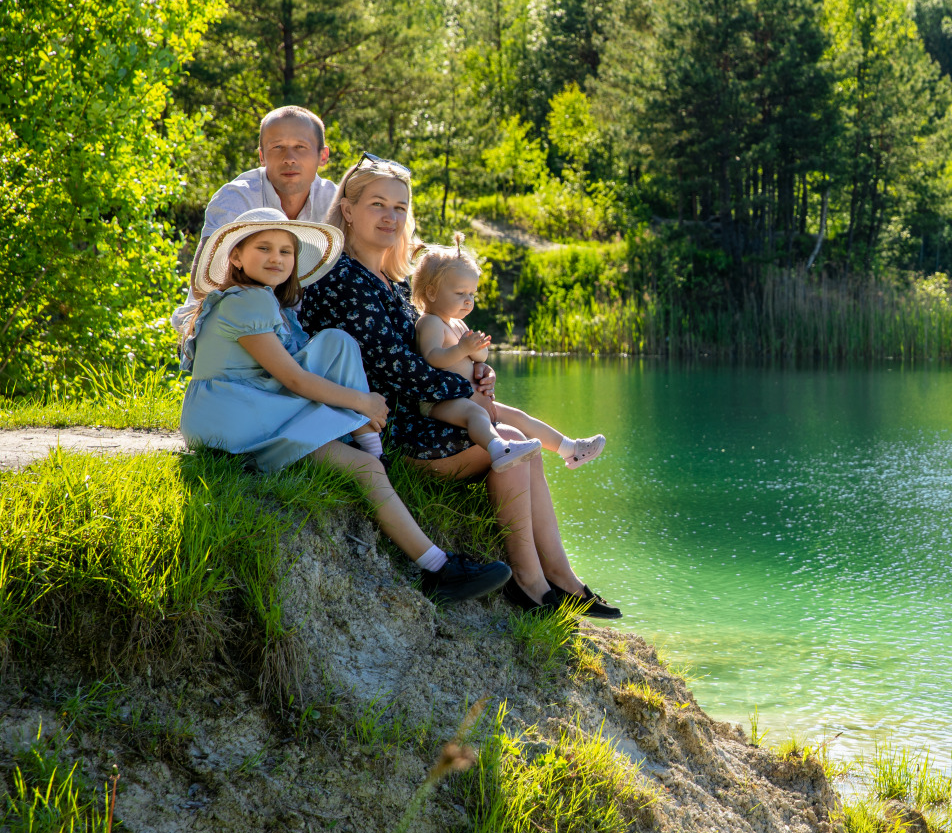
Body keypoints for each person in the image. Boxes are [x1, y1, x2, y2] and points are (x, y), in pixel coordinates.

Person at [297, 156, 622, 620]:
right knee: (513, 444)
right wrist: (464, 389)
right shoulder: (344, 278)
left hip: (416, 408)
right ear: (347, 210)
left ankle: (560, 581)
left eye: (400, 207)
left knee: (517, 444)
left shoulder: (389, 280)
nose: (391, 216)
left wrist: (477, 374)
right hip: (379, 422)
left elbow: (425, 354)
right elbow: (395, 368)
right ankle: (534, 586)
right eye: (377, 205)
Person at [177, 207, 512, 604]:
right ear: (235, 257)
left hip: (253, 403)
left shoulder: (264, 301)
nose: (276, 258)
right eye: (263, 248)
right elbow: (295, 380)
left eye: (286, 252)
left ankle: (371, 445)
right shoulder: (246, 303)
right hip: (233, 418)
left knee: (338, 341)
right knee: (364, 470)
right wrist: (364, 400)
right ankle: (438, 567)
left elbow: (303, 367)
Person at [411, 234, 607, 472]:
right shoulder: (430, 322)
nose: (468, 301)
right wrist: (463, 349)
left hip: (470, 398)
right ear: (431, 293)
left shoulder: (457, 324)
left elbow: (475, 359)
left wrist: (480, 360)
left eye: (472, 294)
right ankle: (498, 448)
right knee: (475, 414)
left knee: (519, 417)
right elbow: (431, 357)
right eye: (460, 293)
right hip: (440, 403)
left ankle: (571, 449)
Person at [170, 106, 340, 333]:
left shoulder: (335, 202)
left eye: (301, 147)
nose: (289, 158)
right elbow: (205, 285)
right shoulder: (236, 198)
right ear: (262, 156)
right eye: (277, 147)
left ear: (323, 156)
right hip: (230, 324)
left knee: (340, 341)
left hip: (299, 328)